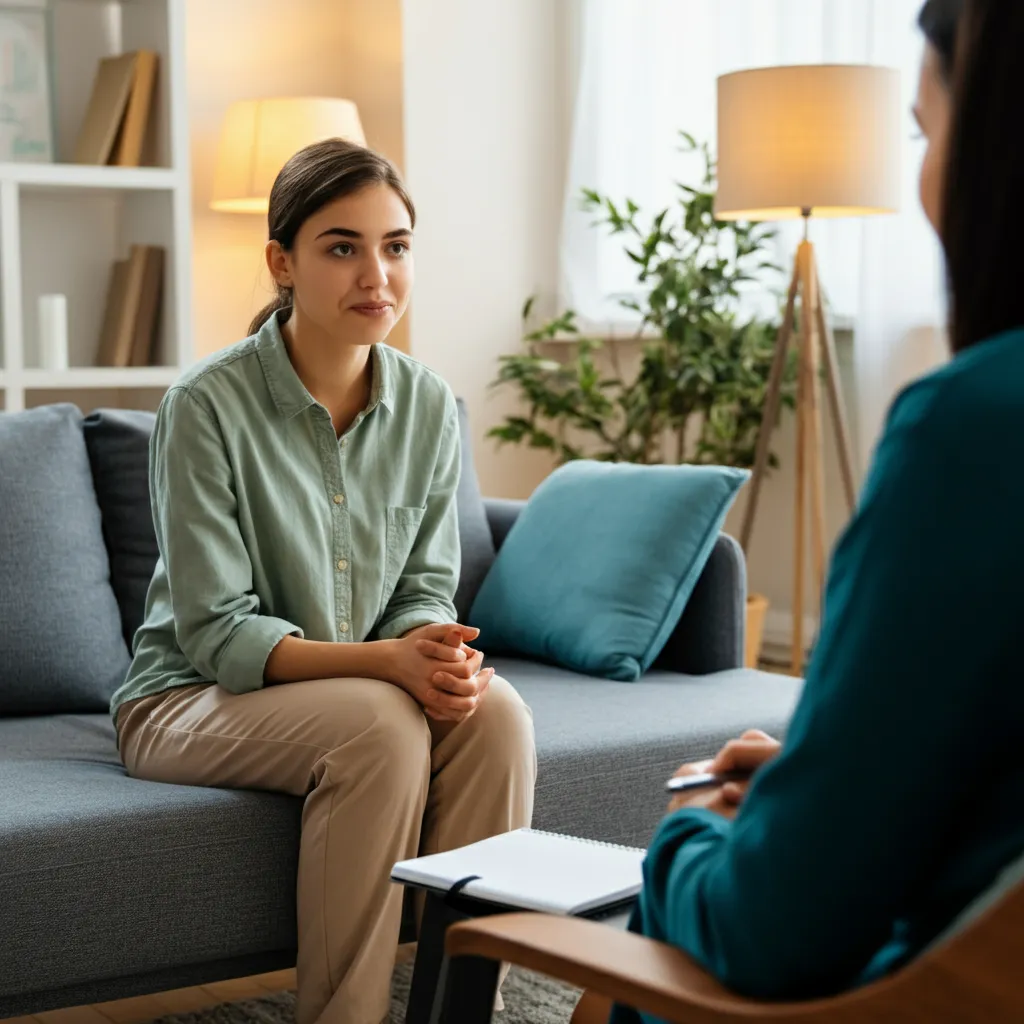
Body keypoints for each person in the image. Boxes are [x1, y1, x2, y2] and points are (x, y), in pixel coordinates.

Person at [611, 0, 1024, 1018]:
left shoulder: (972, 430)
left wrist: (694, 830)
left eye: (926, 133)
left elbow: (774, 932)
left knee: (663, 927)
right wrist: (821, 775)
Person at [110, 140, 537, 1024]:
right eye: (342, 247)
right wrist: (386, 664)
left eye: (396, 245)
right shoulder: (204, 408)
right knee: (380, 725)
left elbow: (425, 583)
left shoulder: (426, 405)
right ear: (283, 262)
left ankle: (459, 1007)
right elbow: (220, 636)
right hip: (185, 699)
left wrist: (431, 649)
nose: (375, 273)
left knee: (497, 714)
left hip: (350, 688)